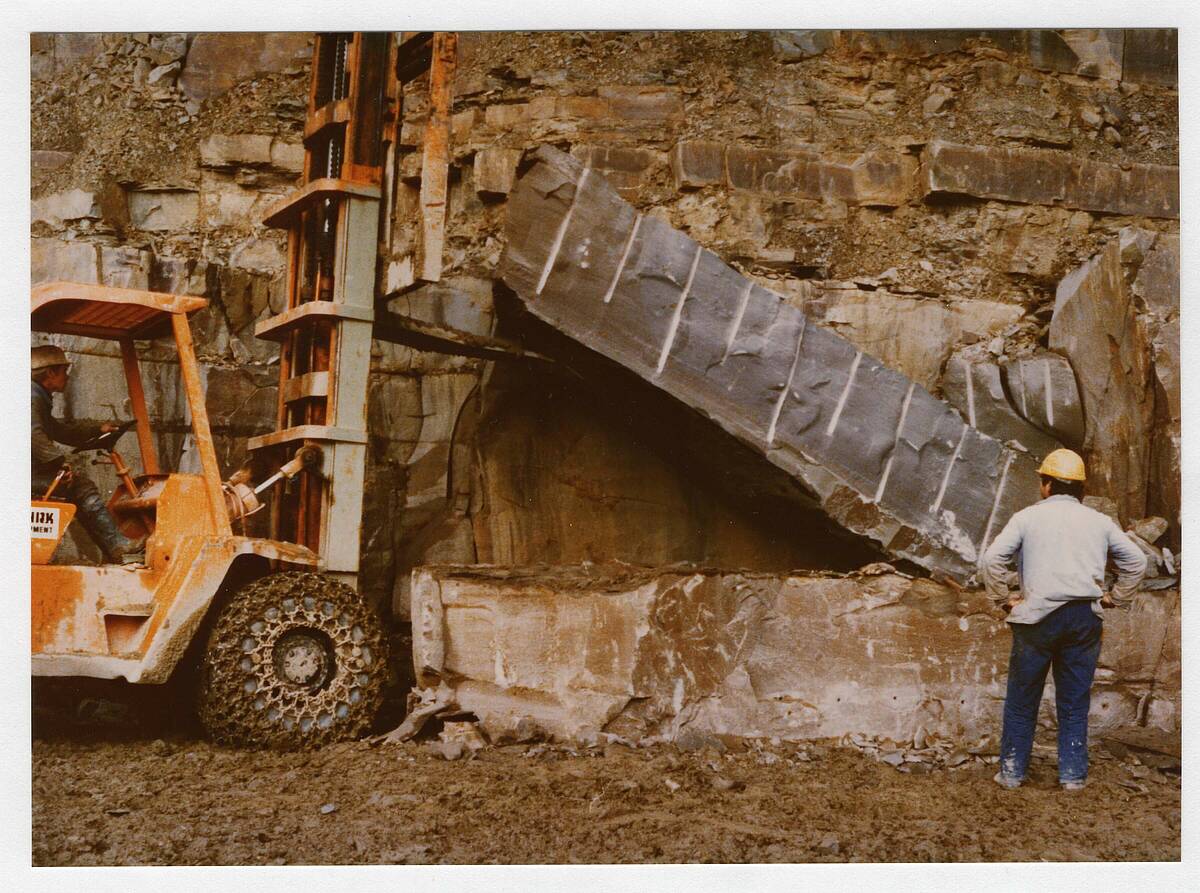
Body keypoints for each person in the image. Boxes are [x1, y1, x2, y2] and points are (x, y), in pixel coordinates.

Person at [981, 448, 1146, 791]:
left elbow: (992, 560)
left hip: (1037, 619)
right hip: (1083, 619)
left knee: (1023, 699)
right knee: (1073, 701)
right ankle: (1072, 777)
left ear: (1045, 485)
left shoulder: (1026, 517)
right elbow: (1136, 562)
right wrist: (1116, 597)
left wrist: (1002, 600)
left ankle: (1012, 773)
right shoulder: (1099, 522)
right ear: (1082, 490)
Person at [32, 345, 144, 564]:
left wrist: (96, 430)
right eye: (64, 371)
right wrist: (59, 463)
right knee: (82, 487)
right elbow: (33, 433)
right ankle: (119, 547)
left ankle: (115, 551)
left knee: (77, 488)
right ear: (50, 373)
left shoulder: (36, 395)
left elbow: (57, 430)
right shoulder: (31, 395)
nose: (67, 376)